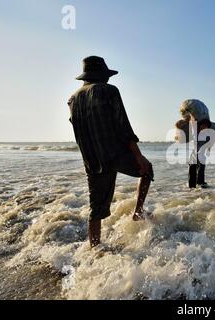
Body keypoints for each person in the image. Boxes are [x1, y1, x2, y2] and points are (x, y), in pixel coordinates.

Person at [68, 56, 154, 247]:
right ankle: (138, 212)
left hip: (91, 159)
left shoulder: (73, 99)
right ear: (101, 75)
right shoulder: (108, 91)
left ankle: (95, 247)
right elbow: (123, 126)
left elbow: (79, 130)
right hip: (114, 153)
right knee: (147, 169)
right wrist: (138, 156)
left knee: (95, 208)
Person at [178, 99, 215, 189]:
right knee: (195, 167)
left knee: (199, 166)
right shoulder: (196, 128)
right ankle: (194, 185)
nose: (203, 128)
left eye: (205, 127)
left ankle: (199, 183)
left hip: (199, 155)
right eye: (203, 126)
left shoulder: (206, 133)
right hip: (196, 155)